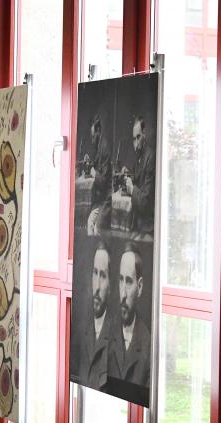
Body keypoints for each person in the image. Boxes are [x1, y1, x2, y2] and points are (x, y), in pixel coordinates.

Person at [71, 241, 117, 390]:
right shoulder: (81, 328)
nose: (96, 286)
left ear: (111, 286)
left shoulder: (117, 335)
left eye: (103, 276)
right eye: (95, 273)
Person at [107, 243, 151, 389]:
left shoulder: (148, 344)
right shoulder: (105, 331)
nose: (123, 294)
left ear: (139, 287)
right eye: (121, 280)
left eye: (129, 282)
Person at [118, 116, 156, 236]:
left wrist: (131, 189)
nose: (136, 143)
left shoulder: (151, 157)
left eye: (138, 137)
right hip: (137, 221)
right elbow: (137, 178)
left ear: (144, 133)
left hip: (146, 227)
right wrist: (127, 172)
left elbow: (146, 202)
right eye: (134, 139)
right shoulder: (140, 156)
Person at [77, 114, 112, 235]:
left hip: (106, 200)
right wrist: (89, 162)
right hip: (100, 200)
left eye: (93, 136)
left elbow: (103, 181)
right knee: (90, 223)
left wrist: (92, 171)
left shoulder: (104, 147)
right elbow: (98, 166)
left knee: (96, 228)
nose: (92, 140)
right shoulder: (100, 145)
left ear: (98, 130)